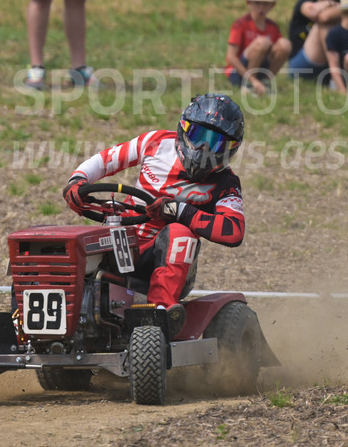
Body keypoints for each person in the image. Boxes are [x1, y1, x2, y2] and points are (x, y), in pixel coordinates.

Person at [62, 93, 246, 338]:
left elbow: (233, 231)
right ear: (183, 129)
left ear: (231, 149)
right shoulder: (156, 142)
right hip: (124, 242)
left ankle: (160, 312)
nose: (203, 148)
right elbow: (105, 160)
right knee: (76, 240)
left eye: (215, 143)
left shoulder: (226, 183)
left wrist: (179, 211)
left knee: (181, 232)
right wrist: (78, 180)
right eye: (199, 136)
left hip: (168, 260)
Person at [224, 0, 292, 96]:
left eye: (265, 3)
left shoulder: (273, 27)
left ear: (272, 5)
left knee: (285, 44)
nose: (261, 7)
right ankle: (249, 85)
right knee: (263, 43)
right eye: (257, 3)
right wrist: (252, 79)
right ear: (248, 3)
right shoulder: (240, 24)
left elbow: (278, 52)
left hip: (262, 67)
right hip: (239, 72)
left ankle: (265, 82)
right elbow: (231, 57)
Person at [286, 0, 344, 83]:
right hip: (301, 64)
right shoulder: (305, 0)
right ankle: (336, 77)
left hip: (331, 61)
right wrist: (332, 4)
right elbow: (315, 13)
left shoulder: (342, 3)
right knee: (324, 23)